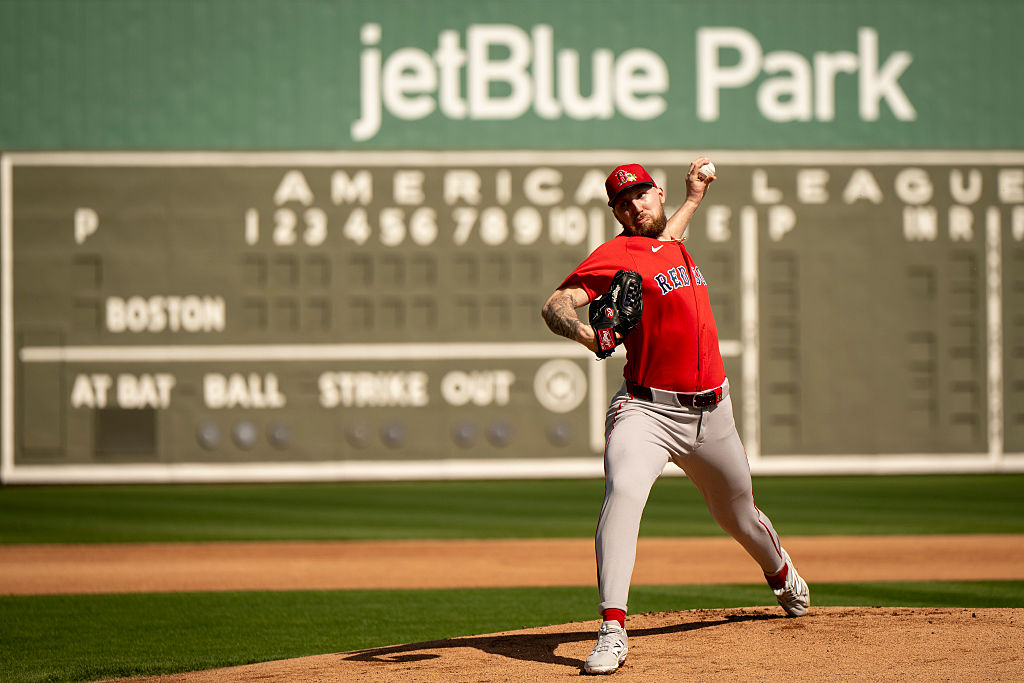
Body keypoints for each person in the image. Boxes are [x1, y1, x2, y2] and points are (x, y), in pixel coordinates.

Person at [540, 158, 809, 675]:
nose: (634, 204)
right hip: (647, 411)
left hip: (714, 412)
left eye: (640, 194)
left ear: (656, 193)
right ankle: (612, 628)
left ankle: (779, 572)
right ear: (616, 213)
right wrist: (588, 334)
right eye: (622, 202)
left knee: (740, 514)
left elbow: (667, 238)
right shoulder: (615, 254)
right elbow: (555, 305)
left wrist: (694, 197)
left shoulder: (671, 243)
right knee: (623, 494)